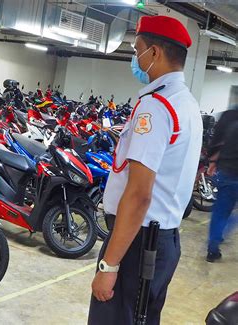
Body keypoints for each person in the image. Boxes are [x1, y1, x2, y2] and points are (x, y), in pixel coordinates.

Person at [88, 15, 203, 324]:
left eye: (138, 48)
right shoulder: (187, 103)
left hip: (136, 244)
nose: (135, 57)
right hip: (161, 240)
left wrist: (109, 266)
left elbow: (139, 194)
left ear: (154, 53)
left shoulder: (157, 106)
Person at [206, 85, 238, 262]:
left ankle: (213, 247)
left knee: (220, 211)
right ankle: (220, 233)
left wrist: (212, 162)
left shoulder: (227, 116)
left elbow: (216, 140)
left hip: (226, 171)